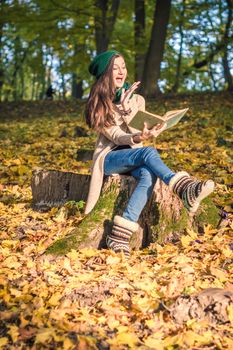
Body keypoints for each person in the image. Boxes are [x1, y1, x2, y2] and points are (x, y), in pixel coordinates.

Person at [84, 50, 215, 257]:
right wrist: (124, 111)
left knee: (148, 174)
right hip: (110, 159)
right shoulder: (99, 102)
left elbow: (137, 133)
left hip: (135, 155)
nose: (121, 72)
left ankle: (119, 235)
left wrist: (147, 132)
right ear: (105, 74)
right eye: (115, 68)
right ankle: (183, 188)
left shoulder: (137, 99)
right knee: (148, 153)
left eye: (123, 67)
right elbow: (117, 136)